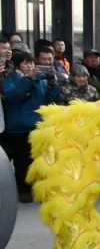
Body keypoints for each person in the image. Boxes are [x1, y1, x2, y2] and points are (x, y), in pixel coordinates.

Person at [0, 51, 61, 202]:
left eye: (32, 63)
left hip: (38, 125)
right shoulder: (10, 80)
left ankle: (41, 188)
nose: (30, 66)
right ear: (17, 66)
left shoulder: (40, 79)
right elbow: (15, 96)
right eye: (26, 63)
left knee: (41, 159)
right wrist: (28, 79)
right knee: (22, 162)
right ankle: (24, 189)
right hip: (18, 127)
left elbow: (50, 100)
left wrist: (53, 84)